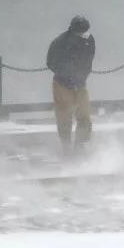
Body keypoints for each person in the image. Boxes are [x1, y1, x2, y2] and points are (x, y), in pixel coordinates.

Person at [46, 15, 95, 155]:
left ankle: (80, 145)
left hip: (80, 84)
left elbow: (89, 59)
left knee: (84, 115)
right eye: (81, 32)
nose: (84, 35)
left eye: (86, 31)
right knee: (64, 116)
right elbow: (50, 62)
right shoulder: (60, 43)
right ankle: (66, 146)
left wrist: (84, 74)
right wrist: (67, 73)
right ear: (73, 31)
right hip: (62, 84)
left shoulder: (89, 40)